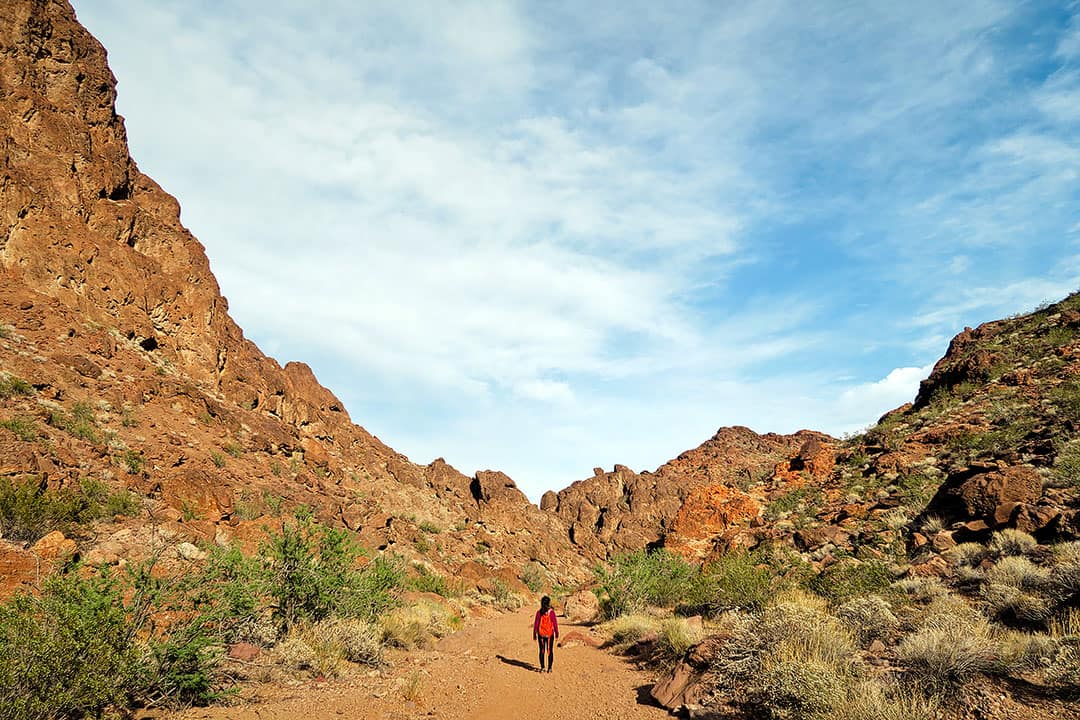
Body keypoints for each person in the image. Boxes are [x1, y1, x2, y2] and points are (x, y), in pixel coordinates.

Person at [533, 595, 559, 673]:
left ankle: (542, 667)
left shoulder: (539, 612)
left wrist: (534, 634)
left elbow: (536, 624)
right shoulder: (551, 612)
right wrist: (557, 633)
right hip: (550, 635)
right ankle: (550, 668)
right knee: (550, 651)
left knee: (542, 650)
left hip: (541, 634)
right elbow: (555, 624)